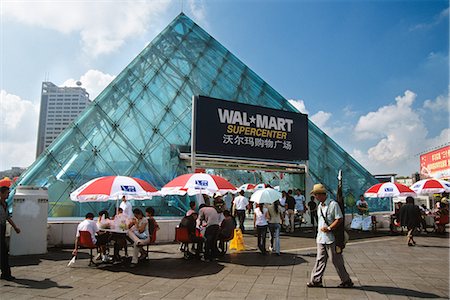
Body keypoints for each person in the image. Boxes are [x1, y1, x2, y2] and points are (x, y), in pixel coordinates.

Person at [307, 183, 353, 288]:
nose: (315, 197)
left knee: (336, 260)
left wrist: (329, 228)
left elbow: (339, 218)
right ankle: (316, 280)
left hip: (332, 238)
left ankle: (346, 280)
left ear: (320, 194)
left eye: (315, 195)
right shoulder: (320, 206)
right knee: (320, 259)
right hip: (321, 238)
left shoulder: (333, 204)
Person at [0, 186, 20, 281]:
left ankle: (5, 273)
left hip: (2, 228)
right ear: (1, 193)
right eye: (6, 193)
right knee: (4, 251)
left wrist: (15, 227)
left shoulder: (5, 204)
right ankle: (6, 273)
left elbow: (7, 217)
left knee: (3, 252)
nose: (8, 195)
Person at [198, 194, 223, 260]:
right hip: (217, 226)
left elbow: (200, 219)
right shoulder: (212, 208)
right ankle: (214, 255)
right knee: (213, 242)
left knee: (207, 241)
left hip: (210, 227)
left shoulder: (202, 209)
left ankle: (206, 257)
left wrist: (199, 225)